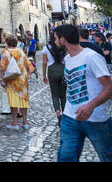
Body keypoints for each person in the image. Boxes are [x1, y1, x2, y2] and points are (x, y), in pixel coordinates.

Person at [53, 24, 112, 162]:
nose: (54, 42)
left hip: (96, 119)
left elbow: (109, 87)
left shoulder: (92, 57)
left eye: (55, 38)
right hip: (70, 117)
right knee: (65, 158)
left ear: (63, 40)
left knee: (107, 156)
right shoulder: (67, 59)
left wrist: (91, 106)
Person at [0, 35, 34, 131]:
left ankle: (15, 123)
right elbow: (30, 67)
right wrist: (27, 76)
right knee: (24, 101)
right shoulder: (21, 52)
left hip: (11, 81)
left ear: (7, 43)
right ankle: (25, 122)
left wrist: (2, 80)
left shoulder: (5, 53)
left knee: (13, 102)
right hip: (22, 81)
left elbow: (2, 68)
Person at [42, 33, 66, 126]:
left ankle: (58, 112)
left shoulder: (46, 48)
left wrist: (44, 75)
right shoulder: (63, 47)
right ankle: (65, 114)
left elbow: (44, 63)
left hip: (52, 71)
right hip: (63, 70)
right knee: (63, 95)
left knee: (55, 95)